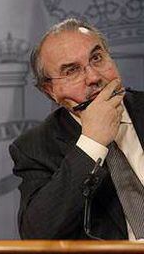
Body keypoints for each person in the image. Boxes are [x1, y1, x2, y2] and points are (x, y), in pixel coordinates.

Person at [10, 18, 144, 240]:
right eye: (72, 71)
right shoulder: (35, 147)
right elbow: (37, 235)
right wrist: (92, 143)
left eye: (97, 58)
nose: (93, 77)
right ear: (50, 90)